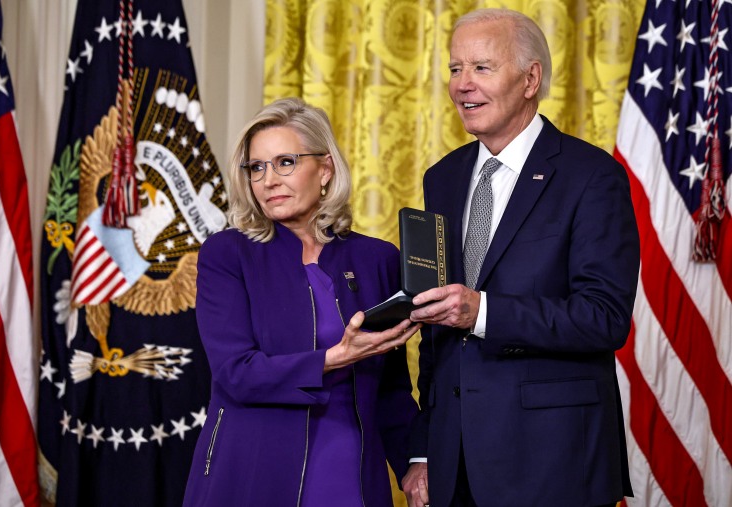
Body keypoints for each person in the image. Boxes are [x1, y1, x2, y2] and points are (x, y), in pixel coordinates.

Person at [402, 8, 639, 507]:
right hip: (455, 462)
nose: (462, 85)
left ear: (531, 78)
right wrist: (424, 449)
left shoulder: (592, 176)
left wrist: (482, 311)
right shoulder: (441, 177)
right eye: (454, 69)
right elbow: (436, 325)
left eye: (481, 68)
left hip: (551, 463)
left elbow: (605, 317)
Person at [182, 97, 421, 507]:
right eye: (257, 167)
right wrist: (333, 358)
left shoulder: (377, 259)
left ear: (325, 169)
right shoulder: (226, 254)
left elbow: (392, 387)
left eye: (285, 162)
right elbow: (235, 373)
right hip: (250, 470)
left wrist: (415, 462)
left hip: (349, 471)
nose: (269, 180)